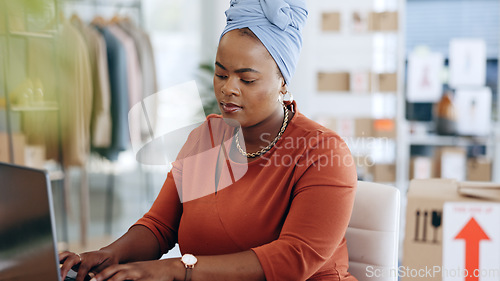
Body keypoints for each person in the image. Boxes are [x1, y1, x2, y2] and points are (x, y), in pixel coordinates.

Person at [59, 0, 358, 280]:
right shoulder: (208, 137)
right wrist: (108, 255)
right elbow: (160, 225)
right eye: (221, 74)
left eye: (247, 79)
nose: (228, 89)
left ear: (282, 80)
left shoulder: (322, 152)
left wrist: (179, 269)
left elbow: (293, 259)